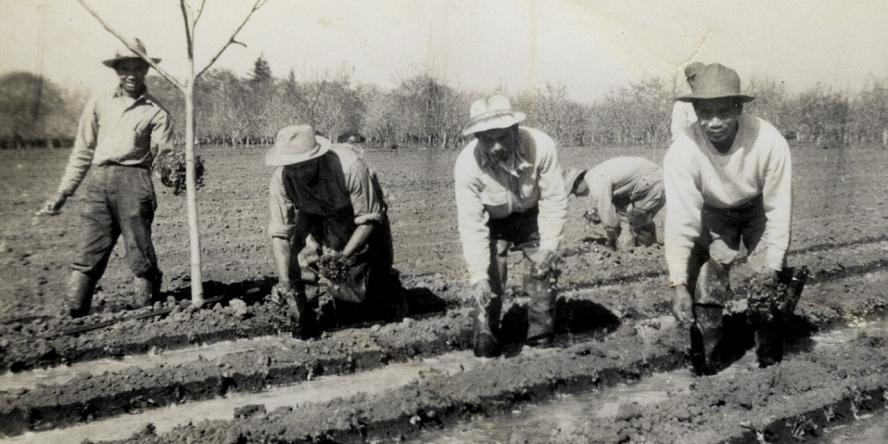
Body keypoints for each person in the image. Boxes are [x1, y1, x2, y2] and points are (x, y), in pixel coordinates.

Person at [663, 63, 793, 374]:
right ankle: (709, 365)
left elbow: (779, 208)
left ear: (738, 107)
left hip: (757, 210)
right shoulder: (683, 151)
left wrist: (773, 265)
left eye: (723, 111)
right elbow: (681, 221)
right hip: (712, 214)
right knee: (706, 289)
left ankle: (770, 361)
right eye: (706, 112)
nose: (715, 122)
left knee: (767, 287)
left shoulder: (768, 141)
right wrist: (678, 283)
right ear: (695, 111)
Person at [38, 39, 173, 317]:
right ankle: (75, 311)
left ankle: (144, 310)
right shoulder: (99, 102)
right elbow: (82, 151)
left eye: (137, 68)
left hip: (135, 181)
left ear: (146, 70)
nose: (131, 75)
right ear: (117, 72)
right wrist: (63, 192)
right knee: (89, 248)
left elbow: (165, 159)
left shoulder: (156, 111)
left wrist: (178, 173)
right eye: (125, 69)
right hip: (99, 183)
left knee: (139, 249)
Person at [454, 95, 568, 357]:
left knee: (544, 271)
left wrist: (549, 247)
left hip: (533, 214)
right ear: (476, 138)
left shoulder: (541, 146)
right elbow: (472, 225)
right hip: (492, 221)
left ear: (515, 130)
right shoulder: (466, 166)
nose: (495, 147)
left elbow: (553, 199)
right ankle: (486, 335)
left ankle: (540, 338)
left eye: (502, 137)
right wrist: (478, 276)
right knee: (490, 282)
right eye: (486, 138)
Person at [266, 124, 403, 338]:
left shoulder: (350, 167)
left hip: (355, 215)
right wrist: (285, 281)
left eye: (303, 166)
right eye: (291, 167)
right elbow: (280, 235)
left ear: (316, 158)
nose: (298, 173)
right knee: (300, 263)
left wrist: (342, 258)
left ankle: (385, 309)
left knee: (355, 281)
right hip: (310, 214)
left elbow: (368, 220)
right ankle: (304, 321)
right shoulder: (281, 180)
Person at [563, 156, 664, 250]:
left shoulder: (596, 183)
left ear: (578, 183)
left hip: (654, 180)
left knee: (635, 221)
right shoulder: (595, 176)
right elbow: (616, 206)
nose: (576, 196)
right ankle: (648, 240)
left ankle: (647, 246)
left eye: (574, 192)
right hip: (651, 178)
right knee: (629, 217)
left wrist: (611, 241)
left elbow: (609, 221)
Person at [670, 62, 705, 142]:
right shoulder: (682, 104)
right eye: (700, 77)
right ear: (691, 81)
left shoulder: (714, 99)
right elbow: (677, 135)